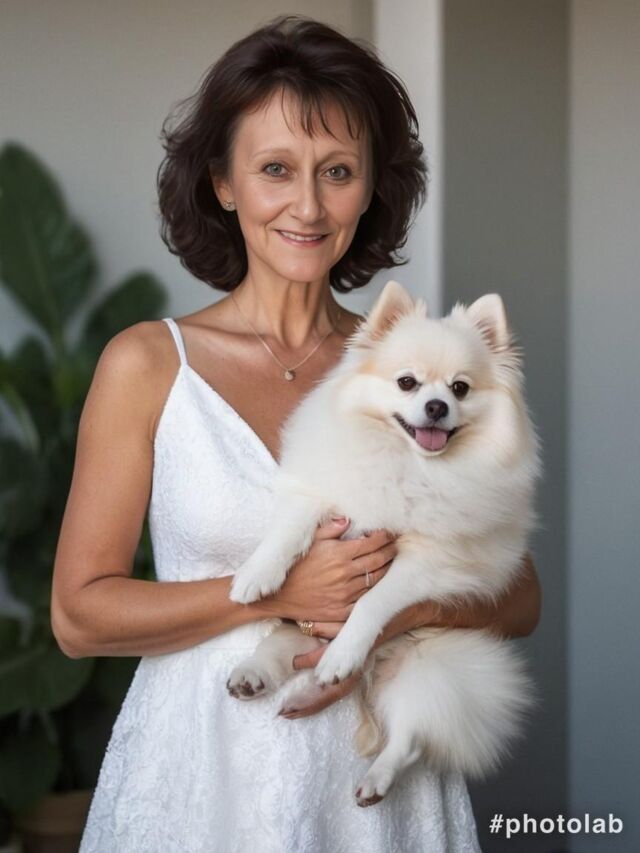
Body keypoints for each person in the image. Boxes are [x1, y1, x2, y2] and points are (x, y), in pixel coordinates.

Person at [51, 14, 541, 853]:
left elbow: (519, 596)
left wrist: (387, 613)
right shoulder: (147, 364)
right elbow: (78, 615)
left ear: (370, 187)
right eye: (275, 169)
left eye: (337, 171)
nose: (308, 206)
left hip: (380, 790)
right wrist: (281, 593)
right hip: (203, 772)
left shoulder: (408, 370)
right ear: (223, 182)